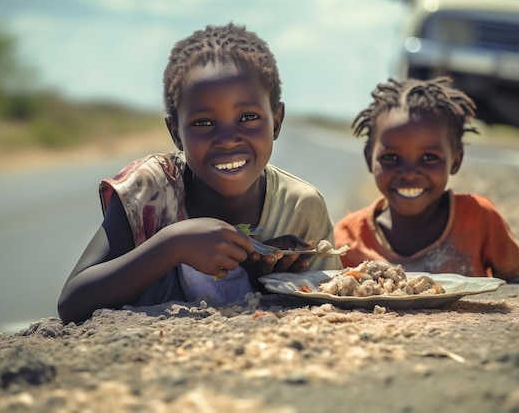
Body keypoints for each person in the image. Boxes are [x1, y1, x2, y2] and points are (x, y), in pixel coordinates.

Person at [58, 23, 342, 325]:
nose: (228, 139)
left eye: (248, 117)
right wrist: (172, 244)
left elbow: (332, 306)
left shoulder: (300, 208)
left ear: (276, 121)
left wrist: (265, 277)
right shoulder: (148, 191)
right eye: (204, 123)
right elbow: (72, 303)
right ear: (175, 133)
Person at [334, 76, 519, 281]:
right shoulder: (348, 239)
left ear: (455, 161)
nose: (409, 172)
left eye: (429, 158)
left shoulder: (479, 219)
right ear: (369, 159)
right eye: (391, 157)